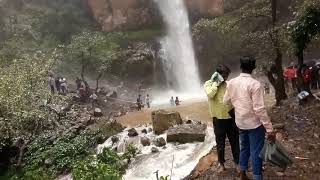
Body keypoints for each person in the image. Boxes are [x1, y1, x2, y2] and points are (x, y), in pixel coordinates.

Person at [224, 57, 275, 180]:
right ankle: (257, 177)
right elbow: (259, 109)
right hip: (254, 124)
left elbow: (225, 101)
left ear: (241, 67)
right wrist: (269, 128)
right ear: (253, 68)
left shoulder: (231, 82)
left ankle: (242, 173)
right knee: (256, 151)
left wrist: (237, 108)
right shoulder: (255, 84)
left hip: (240, 122)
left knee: (244, 147)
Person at [204, 65, 239, 173]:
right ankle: (221, 163)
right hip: (218, 119)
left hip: (230, 117)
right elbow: (210, 94)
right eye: (224, 75)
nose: (226, 78)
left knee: (235, 142)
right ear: (218, 75)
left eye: (227, 75)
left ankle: (237, 162)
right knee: (220, 143)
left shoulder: (228, 84)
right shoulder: (208, 84)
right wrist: (216, 83)